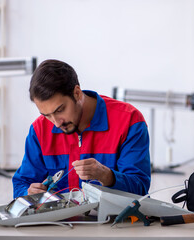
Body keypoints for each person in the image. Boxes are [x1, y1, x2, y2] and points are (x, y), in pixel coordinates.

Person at [12, 59, 151, 198]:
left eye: (60, 110)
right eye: (47, 115)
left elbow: (140, 188)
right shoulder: (39, 129)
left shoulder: (129, 121)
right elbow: (21, 183)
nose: (56, 123)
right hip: (58, 220)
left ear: (77, 93)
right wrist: (29, 193)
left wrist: (107, 176)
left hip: (115, 219)